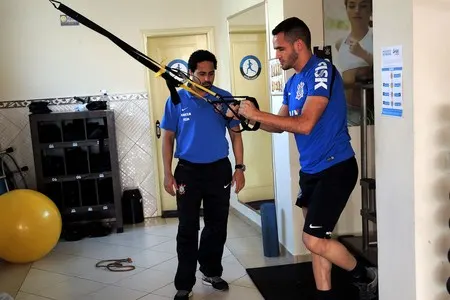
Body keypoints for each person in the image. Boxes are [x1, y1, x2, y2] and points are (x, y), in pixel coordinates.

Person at [238, 17, 378, 300]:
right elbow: (277, 125)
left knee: (312, 239)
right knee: (319, 241)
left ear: (298, 44)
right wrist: (249, 117)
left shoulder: (321, 70)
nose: (276, 56)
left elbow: (305, 124)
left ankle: (365, 275)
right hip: (311, 171)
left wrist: (256, 114)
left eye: (280, 49)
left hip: (336, 167)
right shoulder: (293, 82)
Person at [160, 49, 246, 300]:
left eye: (211, 74)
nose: (207, 79)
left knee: (216, 224)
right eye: (201, 74)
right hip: (187, 171)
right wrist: (167, 173)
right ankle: (184, 283)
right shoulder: (176, 99)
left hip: (218, 169)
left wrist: (240, 167)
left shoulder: (223, 98)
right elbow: (167, 139)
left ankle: (211, 271)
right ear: (190, 73)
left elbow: (236, 134)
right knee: (187, 227)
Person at [335, 0, 374, 126]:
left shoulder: (376, 38)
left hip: (367, 109)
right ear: (346, 9)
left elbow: (383, 67)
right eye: (352, 6)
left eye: (363, 6)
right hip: (345, 109)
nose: (357, 10)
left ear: (370, 10)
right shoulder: (340, 43)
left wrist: (362, 53)